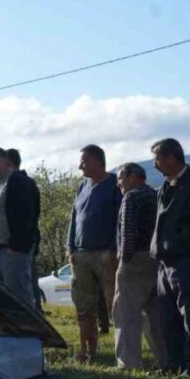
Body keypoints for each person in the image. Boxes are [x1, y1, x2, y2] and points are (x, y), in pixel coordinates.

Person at [67, 144, 122, 362]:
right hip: (80, 255)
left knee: (113, 305)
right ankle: (86, 351)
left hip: (105, 255)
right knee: (83, 306)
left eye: (84, 161)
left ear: (99, 162)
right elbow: (74, 218)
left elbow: (121, 219)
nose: (80, 165)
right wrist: (70, 247)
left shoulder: (114, 184)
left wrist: (113, 249)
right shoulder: (82, 187)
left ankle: (122, 354)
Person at [112, 162, 166, 370]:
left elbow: (128, 231)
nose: (118, 183)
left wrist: (124, 259)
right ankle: (165, 360)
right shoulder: (155, 195)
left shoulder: (131, 197)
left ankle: (128, 363)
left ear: (134, 176)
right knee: (155, 314)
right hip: (155, 259)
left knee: (125, 312)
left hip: (134, 259)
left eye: (120, 178)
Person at [150, 138, 190, 375]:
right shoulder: (165, 188)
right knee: (168, 316)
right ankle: (173, 364)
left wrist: (175, 244)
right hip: (163, 263)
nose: (155, 166)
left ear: (171, 157)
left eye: (158, 159)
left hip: (187, 260)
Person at [0, 148, 36, 305]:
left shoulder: (17, 181)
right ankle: (5, 330)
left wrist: (16, 247)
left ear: (6, 161)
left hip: (10, 253)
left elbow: (26, 216)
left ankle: (25, 330)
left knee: (18, 299)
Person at [8, 148, 44, 311]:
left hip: (21, 245)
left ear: (7, 163)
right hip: (20, 244)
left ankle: (32, 324)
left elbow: (27, 215)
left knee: (24, 288)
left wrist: (17, 243)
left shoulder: (24, 183)